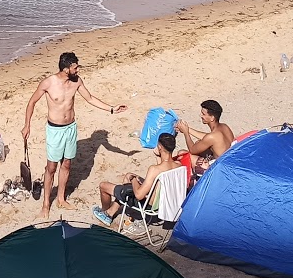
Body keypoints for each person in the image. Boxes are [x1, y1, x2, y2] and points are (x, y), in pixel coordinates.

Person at [22, 52, 126, 218]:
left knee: (67, 165)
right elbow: (32, 102)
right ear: (65, 69)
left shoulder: (77, 82)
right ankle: (46, 204)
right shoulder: (49, 83)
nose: (78, 70)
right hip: (54, 130)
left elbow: (90, 98)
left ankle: (61, 199)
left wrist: (112, 108)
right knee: (51, 168)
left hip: (70, 128)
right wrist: (27, 125)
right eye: (75, 67)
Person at [93, 131, 181, 228]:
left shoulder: (154, 169)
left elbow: (139, 195)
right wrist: (158, 157)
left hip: (148, 205)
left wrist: (134, 180)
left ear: (159, 147)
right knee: (128, 176)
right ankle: (112, 210)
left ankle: (105, 213)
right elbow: (161, 173)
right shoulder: (179, 166)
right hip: (164, 202)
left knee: (103, 186)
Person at [174, 99, 235, 175]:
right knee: (199, 143)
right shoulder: (224, 127)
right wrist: (187, 129)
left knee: (182, 154)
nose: (201, 115)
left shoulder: (212, 137)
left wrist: (186, 133)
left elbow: (192, 150)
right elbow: (207, 137)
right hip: (228, 163)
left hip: (218, 171)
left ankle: (191, 182)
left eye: (203, 114)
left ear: (212, 118)